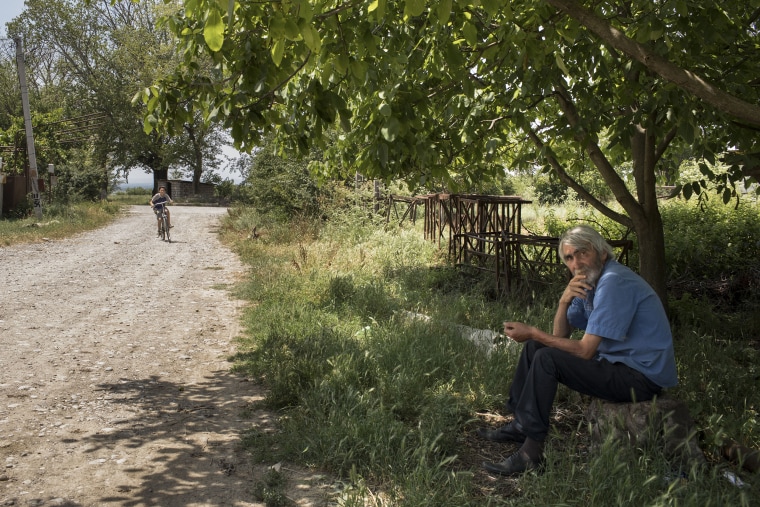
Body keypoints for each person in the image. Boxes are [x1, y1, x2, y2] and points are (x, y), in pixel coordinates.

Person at [478, 224, 678, 476]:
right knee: (535, 346)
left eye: (583, 253)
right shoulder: (590, 284)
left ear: (602, 253)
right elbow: (560, 335)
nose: (577, 263)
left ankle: (531, 453)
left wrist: (532, 330)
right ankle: (521, 424)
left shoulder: (614, 282)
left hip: (641, 378)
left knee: (546, 357)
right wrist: (564, 301)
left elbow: (584, 351)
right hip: (617, 366)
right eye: (569, 258)